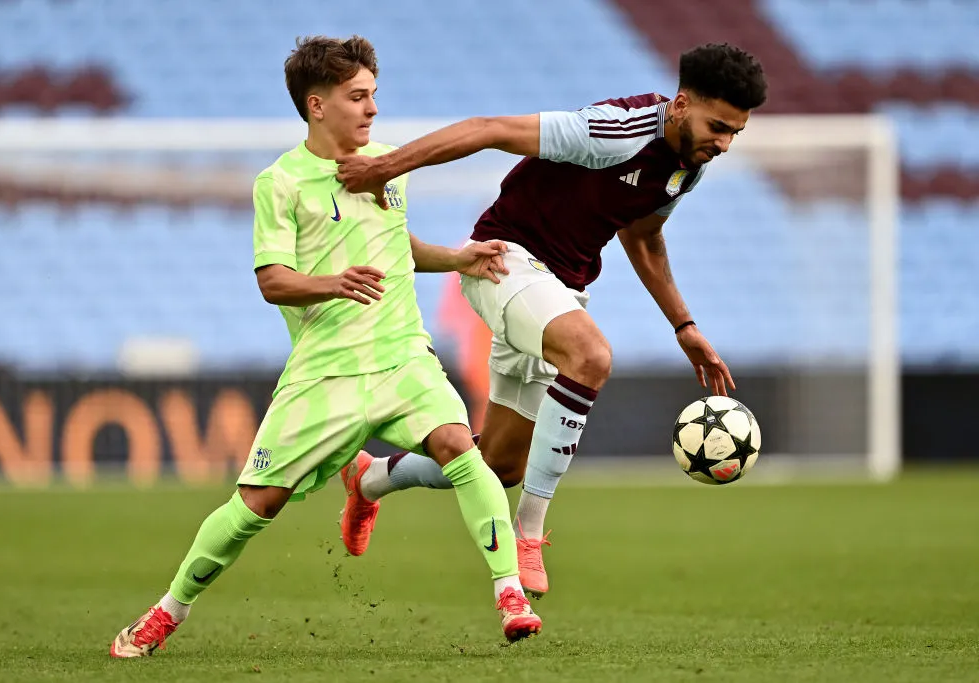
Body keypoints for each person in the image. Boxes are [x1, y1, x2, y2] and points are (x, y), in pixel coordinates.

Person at [109, 35, 543, 658]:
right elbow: (272, 281)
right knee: (254, 507)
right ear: (317, 105)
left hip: (401, 355)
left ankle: (509, 595)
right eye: (357, 97)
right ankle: (164, 614)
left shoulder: (389, 166)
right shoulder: (281, 183)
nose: (371, 109)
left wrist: (456, 258)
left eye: (374, 96)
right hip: (326, 374)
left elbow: (395, 244)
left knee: (460, 447)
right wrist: (332, 283)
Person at [335, 43, 768, 599]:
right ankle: (529, 536)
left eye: (735, 132)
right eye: (718, 126)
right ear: (682, 104)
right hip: (501, 258)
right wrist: (383, 167)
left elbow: (644, 235)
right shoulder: (613, 130)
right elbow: (488, 127)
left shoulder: (688, 166)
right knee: (590, 356)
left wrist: (684, 327)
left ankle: (369, 478)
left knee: (498, 464)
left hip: (558, 287)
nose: (724, 144)